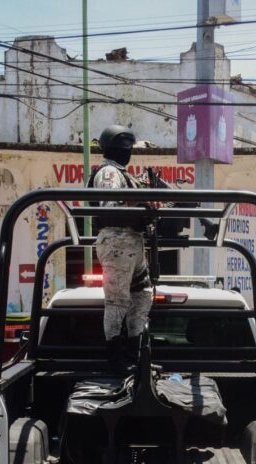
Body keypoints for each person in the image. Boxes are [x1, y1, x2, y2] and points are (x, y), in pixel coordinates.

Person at [91, 124, 159, 373]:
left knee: (143, 295)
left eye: (128, 147)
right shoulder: (109, 172)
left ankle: (135, 354)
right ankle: (117, 359)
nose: (126, 151)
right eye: (123, 147)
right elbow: (111, 204)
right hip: (117, 242)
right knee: (118, 301)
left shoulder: (122, 173)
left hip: (132, 242)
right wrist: (141, 198)